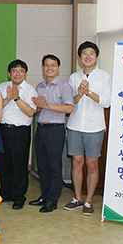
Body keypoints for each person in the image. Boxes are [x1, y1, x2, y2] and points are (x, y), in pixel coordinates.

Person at [64, 41, 111, 216]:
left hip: (95, 126)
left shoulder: (104, 76)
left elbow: (107, 102)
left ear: (96, 57)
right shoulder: (73, 77)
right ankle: (77, 198)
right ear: (79, 57)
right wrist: (79, 94)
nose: (88, 56)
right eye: (84, 53)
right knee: (77, 162)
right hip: (75, 125)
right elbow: (70, 102)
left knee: (92, 164)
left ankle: (89, 200)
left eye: (91, 53)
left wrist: (89, 92)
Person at [30, 54, 74, 213]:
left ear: (58, 68)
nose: (49, 68)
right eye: (47, 65)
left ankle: (52, 200)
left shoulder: (64, 86)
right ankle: (44, 195)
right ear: (43, 68)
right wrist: (38, 106)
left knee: (54, 166)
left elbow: (69, 108)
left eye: (53, 65)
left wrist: (46, 105)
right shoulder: (39, 86)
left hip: (55, 130)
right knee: (42, 166)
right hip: (41, 128)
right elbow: (38, 109)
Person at [0, 59, 37, 210]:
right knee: (4, 164)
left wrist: (17, 98)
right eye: (14, 71)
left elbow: (30, 112)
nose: (17, 74)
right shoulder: (2, 86)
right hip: (3, 129)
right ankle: (5, 193)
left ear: (25, 74)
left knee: (19, 165)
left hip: (20, 131)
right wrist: (8, 98)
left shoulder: (30, 90)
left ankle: (19, 197)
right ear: (9, 73)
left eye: (21, 71)